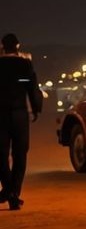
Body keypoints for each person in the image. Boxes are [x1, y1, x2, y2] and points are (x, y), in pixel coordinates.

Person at [1, 32, 43, 209]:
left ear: (2, 47)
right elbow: (31, 87)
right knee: (20, 154)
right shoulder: (24, 65)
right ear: (18, 46)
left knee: (1, 155)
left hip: (0, 115)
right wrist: (36, 108)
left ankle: (8, 190)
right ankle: (14, 192)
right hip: (19, 114)